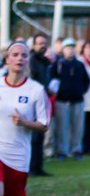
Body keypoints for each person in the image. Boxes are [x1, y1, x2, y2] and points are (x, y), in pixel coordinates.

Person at [0, 40, 52, 196]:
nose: (19, 58)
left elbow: (44, 124)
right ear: (7, 59)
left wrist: (24, 123)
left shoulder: (35, 90)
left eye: (23, 55)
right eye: (15, 55)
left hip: (18, 156)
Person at [51, 38, 90, 160]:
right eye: (68, 48)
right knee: (62, 128)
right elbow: (52, 81)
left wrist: (80, 91)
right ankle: (62, 151)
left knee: (78, 128)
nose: (70, 50)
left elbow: (86, 80)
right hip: (62, 101)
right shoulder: (58, 64)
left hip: (78, 100)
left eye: (72, 48)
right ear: (63, 50)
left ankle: (76, 149)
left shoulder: (79, 65)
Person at [27, 34, 53, 176]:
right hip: (34, 102)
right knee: (34, 137)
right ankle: (31, 168)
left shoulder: (44, 61)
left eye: (44, 43)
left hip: (44, 101)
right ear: (34, 45)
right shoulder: (31, 60)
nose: (42, 46)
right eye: (39, 43)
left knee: (41, 134)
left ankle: (38, 167)